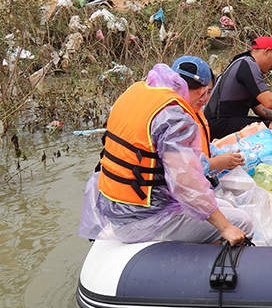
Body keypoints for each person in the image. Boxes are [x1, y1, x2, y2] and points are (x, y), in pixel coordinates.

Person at [80, 56, 251, 245]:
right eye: (207, 92)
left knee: (225, 205)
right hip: (143, 219)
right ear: (203, 92)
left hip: (113, 207)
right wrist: (226, 228)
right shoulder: (174, 117)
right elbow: (185, 182)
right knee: (242, 223)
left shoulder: (135, 92)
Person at [205, 36, 272, 139]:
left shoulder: (243, 63)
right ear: (267, 51)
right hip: (219, 124)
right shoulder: (249, 64)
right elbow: (269, 101)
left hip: (221, 122)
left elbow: (261, 109)